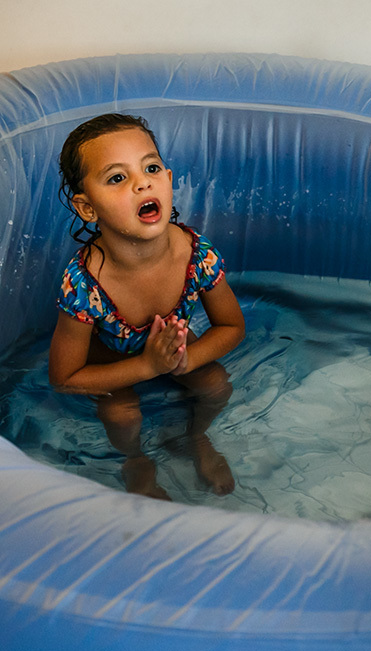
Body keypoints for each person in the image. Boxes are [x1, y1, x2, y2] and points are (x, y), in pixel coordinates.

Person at [49, 114, 245, 499]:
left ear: (169, 180)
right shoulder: (85, 283)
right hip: (112, 358)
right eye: (117, 178)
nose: (142, 183)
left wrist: (186, 360)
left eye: (151, 168)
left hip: (175, 345)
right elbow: (64, 377)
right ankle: (136, 460)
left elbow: (232, 326)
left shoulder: (195, 255)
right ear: (87, 208)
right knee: (121, 415)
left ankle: (197, 436)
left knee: (217, 386)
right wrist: (146, 367)